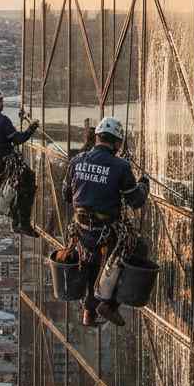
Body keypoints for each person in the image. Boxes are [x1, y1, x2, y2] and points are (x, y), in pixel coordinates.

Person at [62, 116, 149, 327]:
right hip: (106, 230)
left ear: (97, 137)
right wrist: (143, 185)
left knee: (92, 265)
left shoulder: (76, 161)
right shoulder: (120, 166)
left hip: (81, 231)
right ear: (117, 143)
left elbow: (66, 195)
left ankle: (88, 313)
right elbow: (136, 200)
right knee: (138, 249)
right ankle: (110, 304)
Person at [0, 86, 39, 237]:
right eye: (0, 101)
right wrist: (31, 128)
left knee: (14, 188)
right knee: (28, 181)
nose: (2, 103)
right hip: (7, 161)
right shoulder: (2, 120)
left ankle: (16, 221)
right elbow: (18, 139)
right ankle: (22, 223)